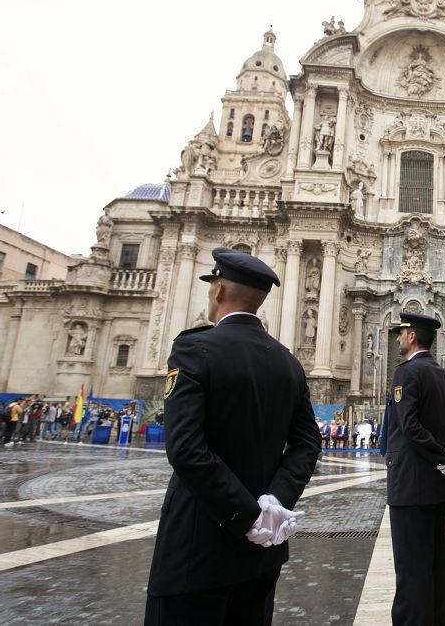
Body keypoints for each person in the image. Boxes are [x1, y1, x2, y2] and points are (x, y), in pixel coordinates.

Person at [145, 247, 320, 626]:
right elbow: (308, 443)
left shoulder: (193, 349)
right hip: (263, 554)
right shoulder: (288, 362)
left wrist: (247, 516)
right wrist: (272, 503)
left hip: (196, 547)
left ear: (219, 290)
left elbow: (187, 450)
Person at [384, 312, 445, 626]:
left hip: (409, 484)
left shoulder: (406, 373)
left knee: (411, 568)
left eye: (401, 333)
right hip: (434, 486)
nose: (398, 338)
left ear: (412, 336)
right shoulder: (442, 374)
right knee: (437, 562)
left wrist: (443, 457)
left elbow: (410, 429)